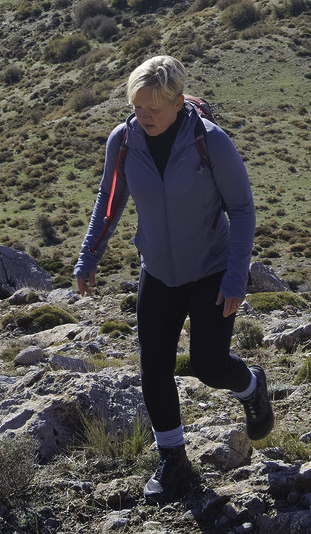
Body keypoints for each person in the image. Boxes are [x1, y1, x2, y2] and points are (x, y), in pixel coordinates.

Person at [74, 55, 270, 502]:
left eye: (153, 109)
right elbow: (109, 201)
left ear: (178, 103)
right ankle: (173, 460)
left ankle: (253, 387)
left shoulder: (210, 142)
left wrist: (236, 277)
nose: (143, 117)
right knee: (153, 368)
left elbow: (241, 209)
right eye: (137, 108)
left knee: (208, 365)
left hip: (211, 270)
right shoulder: (123, 141)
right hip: (158, 271)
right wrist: (89, 257)